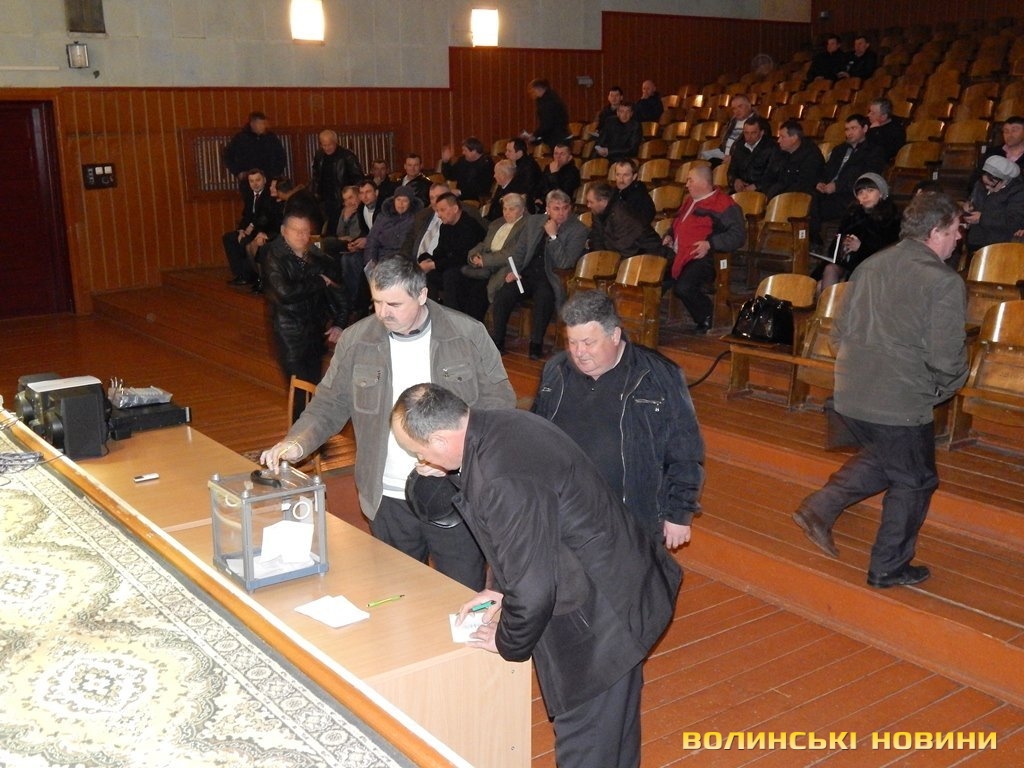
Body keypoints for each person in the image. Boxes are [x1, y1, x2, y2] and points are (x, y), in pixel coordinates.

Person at [390, 383, 681, 768]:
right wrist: (498, 591)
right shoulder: (502, 426)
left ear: (441, 438)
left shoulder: (501, 477)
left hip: (603, 619)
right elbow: (525, 538)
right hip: (620, 581)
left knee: (588, 745)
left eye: (418, 451)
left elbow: (534, 590)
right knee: (613, 736)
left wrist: (506, 640)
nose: (421, 461)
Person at [261, 257, 515, 590]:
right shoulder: (357, 340)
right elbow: (329, 404)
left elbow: (499, 405)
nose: (383, 313)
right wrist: (297, 442)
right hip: (387, 498)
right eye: (377, 302)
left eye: (394, 304)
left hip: (455, 493)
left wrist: (455, 457)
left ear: (422, 295)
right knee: (398, 594)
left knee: (461, 592)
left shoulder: (467, 334)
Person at [792, 192, 968, 588]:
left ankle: (819, 507)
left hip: (850, 391)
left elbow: (838, 332)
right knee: (915, 479)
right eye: (956, 230)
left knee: (889, 457)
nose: (959, 238)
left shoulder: (872, 264)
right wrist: (944, 388)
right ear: (936, 232)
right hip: (899, 399)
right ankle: (889, 566)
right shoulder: (944, 281)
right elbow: (946, 356)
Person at [532, 290, 704, 548]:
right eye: (572, 342)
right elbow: (535, 436)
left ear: (614, 335)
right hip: (564, 513)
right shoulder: (555, 370)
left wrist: (679, 513)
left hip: (629, 520)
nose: (579, 352)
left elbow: (685, 450)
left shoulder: (657, 376)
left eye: (588, 342)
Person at [261, 210, 348, 420]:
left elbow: (338, 292)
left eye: (306, 231)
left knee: (313, 389)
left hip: (314, 331)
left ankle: (310, 435)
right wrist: (319, 281)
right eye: (296, 230)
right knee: (299, 390)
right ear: (284, 231)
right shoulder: (273, 256)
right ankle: (297, 436)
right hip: (288, 333)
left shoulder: (318, 257)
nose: (301, 235)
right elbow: (285, 293)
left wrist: (339, 322)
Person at [489, 189, 589, 358]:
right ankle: (497, 341)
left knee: (544, 297)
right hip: (525, 275)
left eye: (565, 208)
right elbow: (520, 251)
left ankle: (536, 344)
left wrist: (553, 237)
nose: (561, 213)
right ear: (548, 209)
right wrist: (513, 271)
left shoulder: (578, 230)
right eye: (556, 208)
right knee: (504, 294)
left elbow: (565, 263)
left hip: (550, 277)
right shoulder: (534, 222)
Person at [662, 165, 746, 332]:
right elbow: (677, 223)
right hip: (679, 254)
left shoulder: (724, 204)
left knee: (684, 287)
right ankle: (643, 320)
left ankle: (706, 316)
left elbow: (738, 236)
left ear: (703, 182)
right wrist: (669, 235)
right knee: (653, 279)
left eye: (690, 180)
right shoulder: (690, 200)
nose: (687, 184)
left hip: (704, 258)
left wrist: (710, 244)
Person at [817, 172, 901, 292]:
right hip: (849, 265)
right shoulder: (852, 216)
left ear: (881, 193)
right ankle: (828, 304)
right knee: (828, 272)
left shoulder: (891, 218)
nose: (865, 196)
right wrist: (842, 247)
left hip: (874, 269)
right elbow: (834, 249)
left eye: (870, 190)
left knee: (825, 284)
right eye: (860, 192)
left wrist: (860, 248)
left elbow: (888, 253)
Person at [813, 114, 886, 241]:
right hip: (827, 192)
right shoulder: (839, 149)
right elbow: (826, 170)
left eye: (853, 128)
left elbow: (866, 178)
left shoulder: (874, 151)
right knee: (806, 198)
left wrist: (837, 186)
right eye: (847, 129)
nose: (849, 133)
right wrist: (821, 182)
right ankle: (812, 239)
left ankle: (815, 240)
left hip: (851, 194)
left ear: (865, 129)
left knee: (816, 207)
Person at [424, 192, 487, 320]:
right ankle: (431, 316)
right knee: (429, 274)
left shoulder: (469, 226)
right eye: (438, 210)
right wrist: (428, 260)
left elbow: (463, 257)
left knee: (451, 276)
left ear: (455, 209)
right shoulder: (445, 227)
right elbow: (440, 252)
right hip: (452, 266)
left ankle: (453, 320)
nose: (439, 214)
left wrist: (434, 264)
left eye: (442, 210)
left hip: (472, 269)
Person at [464, 193, 528, 305]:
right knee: (458, 280)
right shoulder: (497, 223)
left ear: (522, 210)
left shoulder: (526, 226)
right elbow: (485, 244)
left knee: (478, 292)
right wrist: (473, 256)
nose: (507, 213)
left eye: (511, 209)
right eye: (505, 209)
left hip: (503, 266)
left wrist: (484, 260)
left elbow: (511, 253)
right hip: (485, 264)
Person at [222, 168, 280, 286]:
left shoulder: (269, 195)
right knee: (229, 238)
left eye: (258, 180)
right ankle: (241, 274)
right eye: (251, 181)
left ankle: (252, 276)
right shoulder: (249, 195)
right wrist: (241, 230)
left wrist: (251, 227)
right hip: (250, 229)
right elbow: (246, 215)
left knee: (245, 241)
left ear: (264, 180)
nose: (255, 184)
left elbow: (265, 217)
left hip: (264, 229)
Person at [586, 181, 666, 258]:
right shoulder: (598, 213)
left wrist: (607, 260)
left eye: (591, 202)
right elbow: (596, 239)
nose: (588, 205)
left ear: (603, 201)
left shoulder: (623, 215)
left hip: (650, 257)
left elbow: (626, 250)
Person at [964, 155, 1024, 252]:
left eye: (991, 185)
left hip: (999, 244)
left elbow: (1014, 222)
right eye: (984, 183)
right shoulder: (980, 184)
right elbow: (973, 199)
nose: (987, 188)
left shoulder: (1018, 192)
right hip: (976, 239)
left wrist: (982, 218)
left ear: (1004, 180)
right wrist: (969, 205)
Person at [223, 111, 286, 200]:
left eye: (263, 123)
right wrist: (238, 172)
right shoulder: (241, 138)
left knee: (270, 205)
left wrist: (276, 174)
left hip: (269, 179)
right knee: (252, 205)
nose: (263, 126)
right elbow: (227, 156)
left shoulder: (271, 138)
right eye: (260, 123)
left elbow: (281, 156)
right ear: (252, 124)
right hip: (249, 180)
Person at [311, 129, 364, 235]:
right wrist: (316, 193)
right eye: (324, 145)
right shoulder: (319, 155)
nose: (327, 148)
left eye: (329, 145)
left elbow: (358, 178)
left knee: (340, 229)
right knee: (326, 230)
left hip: (342, 199)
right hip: (325, 199)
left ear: (336, 142)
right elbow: (316, 175)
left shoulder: (347, 156)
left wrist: (353, 198)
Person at [362, 185, 423, 275]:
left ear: (410, 203)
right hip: (383, 261)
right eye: (398, 200)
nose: (401, 204)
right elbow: (372, 241)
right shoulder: (382, 217)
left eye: (405, 200)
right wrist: (371, 263)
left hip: (405, 263)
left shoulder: (417, 219)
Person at [761, 119, 825, 199]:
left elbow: (803, 184)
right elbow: (769, 176)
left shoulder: (812, 155)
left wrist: (775, 195)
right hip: (776, 194)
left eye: (782, 137)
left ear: (794, 138)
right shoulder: (780, 151)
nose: (778, 140)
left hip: (797, 198)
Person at [727, 116, 775, 193]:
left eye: (753, 133)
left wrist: (756, 186)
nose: (749, 137)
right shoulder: (739, 146)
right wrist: (735, 180)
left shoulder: (772, 148)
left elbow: (772, 175)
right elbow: (732, 170)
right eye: (746, 133)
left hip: (761, 191)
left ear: (761, 133)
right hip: (740, 190)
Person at [701, 95, 754, 162]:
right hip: (724, 156)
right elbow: (725, 142)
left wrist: (734, 158)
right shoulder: (732, 122)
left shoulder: (758, 123)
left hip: (739, 161)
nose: (737, 111)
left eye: (740, 106)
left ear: (749, 105)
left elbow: (758, 151)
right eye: (734, 109)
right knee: (701, 161)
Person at [439, 137, 494, 203]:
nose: (463, 153)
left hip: (476, 199)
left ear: (474, 151)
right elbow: (450, 176)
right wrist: (446, 162)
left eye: (465, 150)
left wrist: (460, 192)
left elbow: (482, 188)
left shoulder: (486, 163)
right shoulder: (462, 161)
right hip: (460, 198)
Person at [524, 78, 570, 148]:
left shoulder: (548, 102)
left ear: (538, 89)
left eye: (532, 91)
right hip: (557, 135)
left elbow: (547, 123)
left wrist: (535, 135)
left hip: (557, 137)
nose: (531, 94)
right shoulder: (549, 98)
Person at [610, 159, 656, 225]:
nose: (621, 179)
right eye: (618, 174)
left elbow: (643, 222)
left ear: (634, 177)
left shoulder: (641, 196)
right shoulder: (612, 194)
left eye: (626, 175)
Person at [537, 141, 581, 207]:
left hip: (561, 205)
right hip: (544, 203)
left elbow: (563, 194)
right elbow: (541, 185)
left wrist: (554, 174)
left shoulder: (573, 171)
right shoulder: (548, 167)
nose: (558, 157)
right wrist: (538, 198)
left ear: (569, 157)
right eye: (556, 154)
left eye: (562, 154)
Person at [866, 98, 906, 165]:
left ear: (883, 117)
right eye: (869, 111)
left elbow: (884, 153)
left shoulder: (896, 131)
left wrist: (875, 131)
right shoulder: (866, 123)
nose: (868, 115)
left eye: (873, 113)